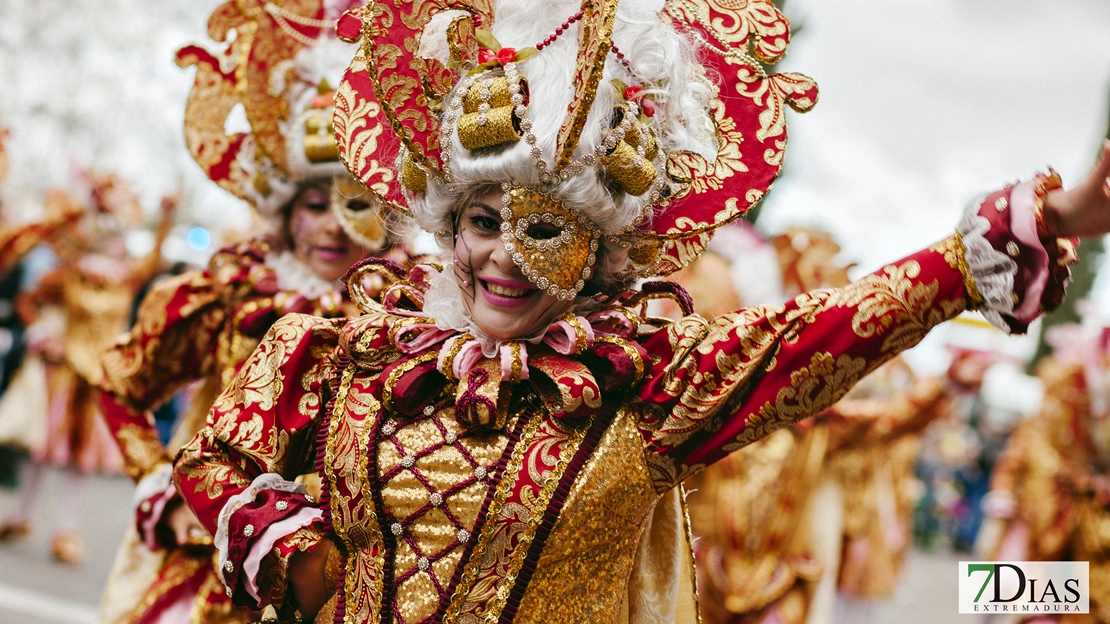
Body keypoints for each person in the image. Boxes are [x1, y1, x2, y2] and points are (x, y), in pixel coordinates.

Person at [169, 1, 1110, 621]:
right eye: (484, 219)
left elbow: (825, 328)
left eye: (546, 229)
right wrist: (276, 538)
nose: (503, 254)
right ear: (446, 219)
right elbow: (213, 456)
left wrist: (1004, 236)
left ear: (604, 253)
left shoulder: (651, 388)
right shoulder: (341, 349)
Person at [95, 2, 410, 622]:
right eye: (316, 204)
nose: (332, 229)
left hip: (334, 579)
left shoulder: (414, 314)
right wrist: (157, 481)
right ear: (286, 207)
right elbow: (122, 384)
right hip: (207, 563)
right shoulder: (232, 292)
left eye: (356, 206)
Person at [0, 177, 170, 563]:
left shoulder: (126, 277)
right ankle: (20, 515)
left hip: (99, 375)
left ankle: (66, 529)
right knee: (44, 450)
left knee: (81, 456)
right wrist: (44, 333)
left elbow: (152, 262)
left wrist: (167, 217)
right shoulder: (70, 272)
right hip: (63, 372)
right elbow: (29, 301)